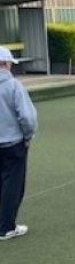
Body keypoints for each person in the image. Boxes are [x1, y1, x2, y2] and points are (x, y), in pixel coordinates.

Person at [0, 45, 38, 240]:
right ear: (5, 64)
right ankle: (6, 227)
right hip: (13, 144)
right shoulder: (14, 86)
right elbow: (27, 117)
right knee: (12, 186)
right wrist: (28, 136)